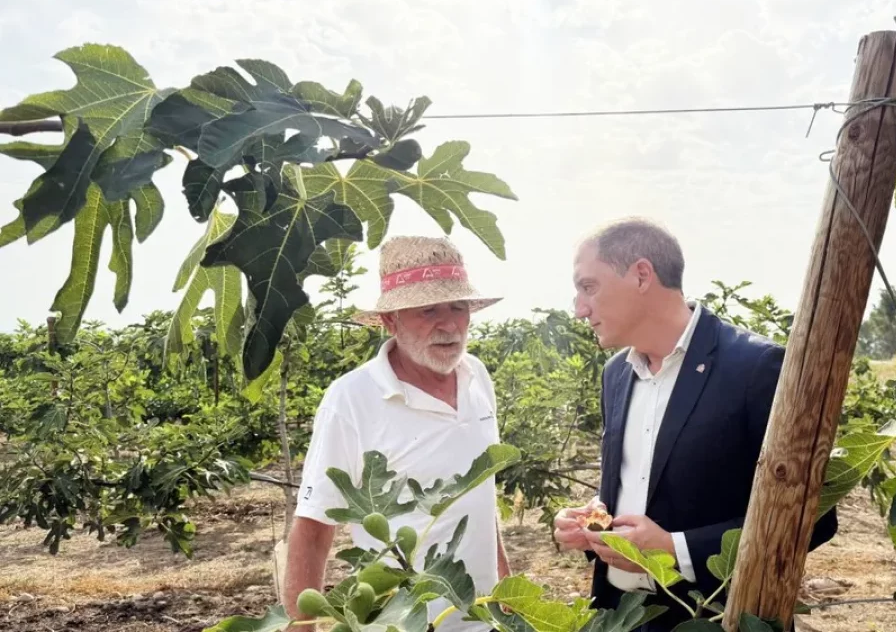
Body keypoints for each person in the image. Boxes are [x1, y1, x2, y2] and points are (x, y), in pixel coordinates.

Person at [554, 218, 838, 631]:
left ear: (641, 275)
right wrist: (595, 519)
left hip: (712, 616)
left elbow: (814, 518)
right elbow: (636, 484)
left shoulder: (759, 368)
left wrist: (676, 549)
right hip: (618, 615)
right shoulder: (616, 373)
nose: (579, 308)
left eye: (588, 287)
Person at [283, 235, 510, 632]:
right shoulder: (351, 399)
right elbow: (314, 528)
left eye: (458, 307)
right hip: (401, 623)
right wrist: (301, 628)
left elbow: (480, 498)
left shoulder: (477, 378)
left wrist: (507, 593)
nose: (449, 324)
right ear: (391, 320)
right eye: (428, 310)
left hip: (484, 618)